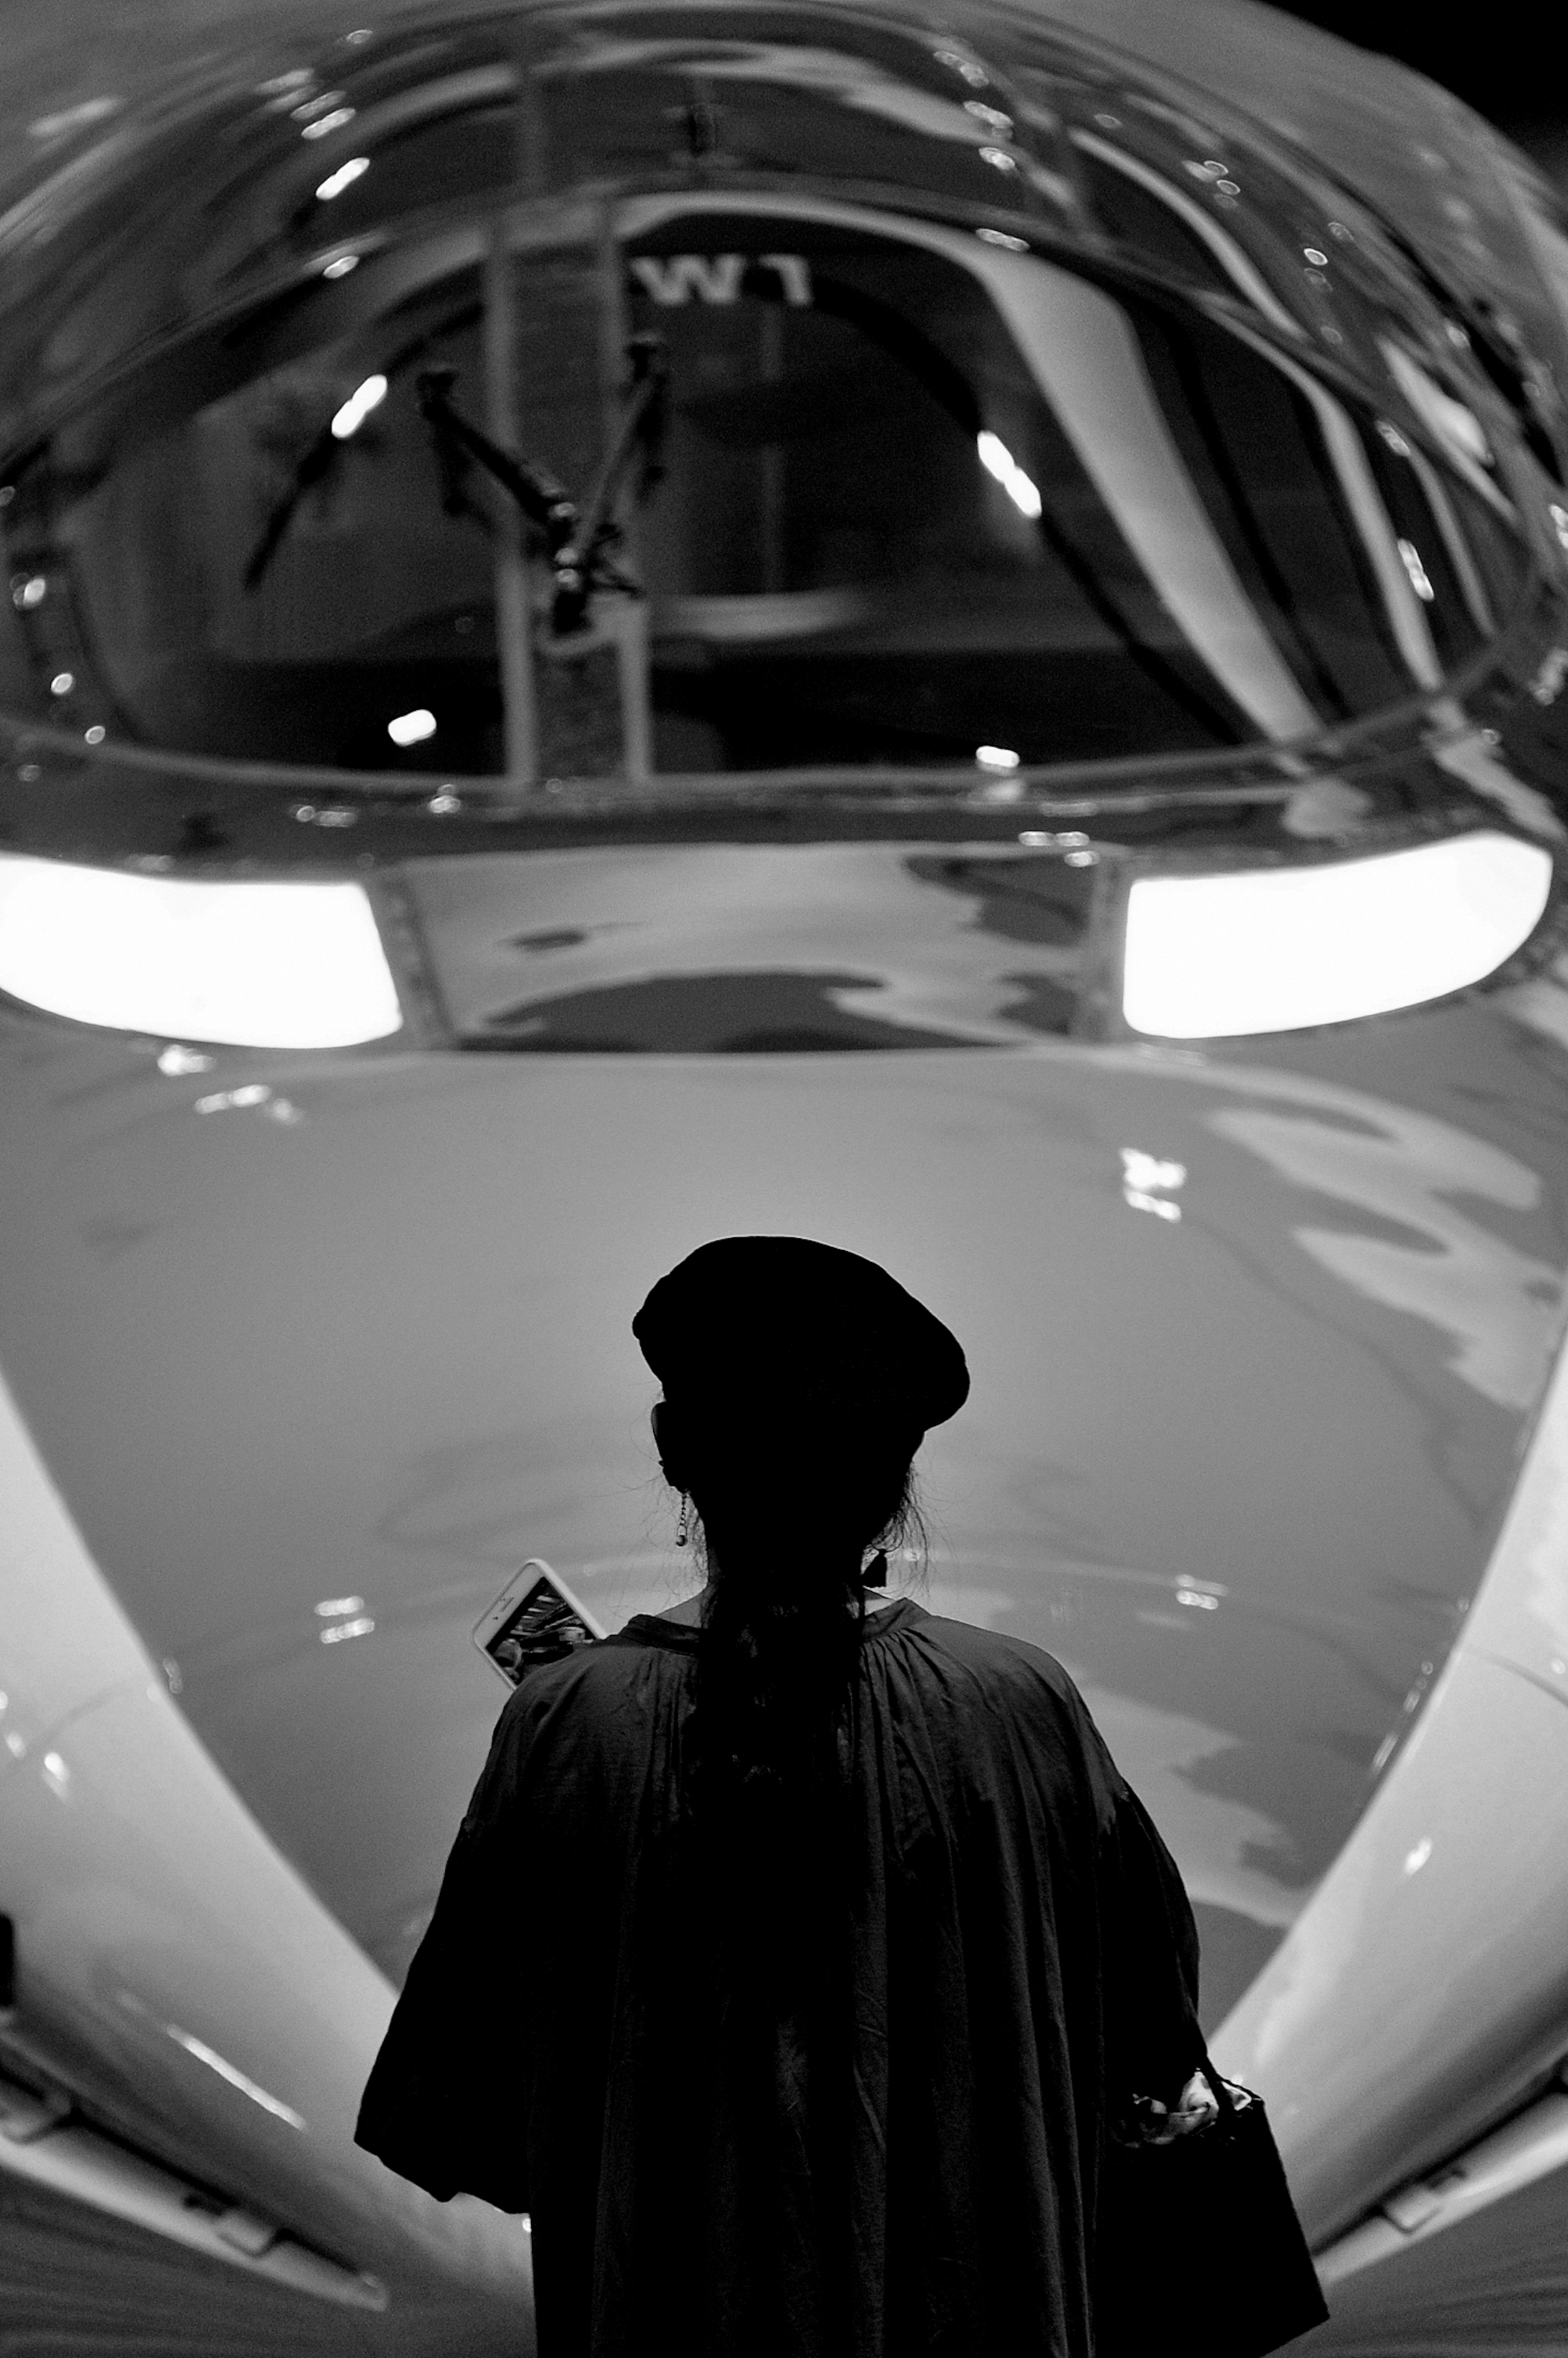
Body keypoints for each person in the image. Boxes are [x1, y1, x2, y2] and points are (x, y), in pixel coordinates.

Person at [355, 1236, 1216, 2357]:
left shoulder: (569, 1722)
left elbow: (458, 2116)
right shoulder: (1022, 1707)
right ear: (895, 1477)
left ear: (674, 1453)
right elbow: (1152, 2044)